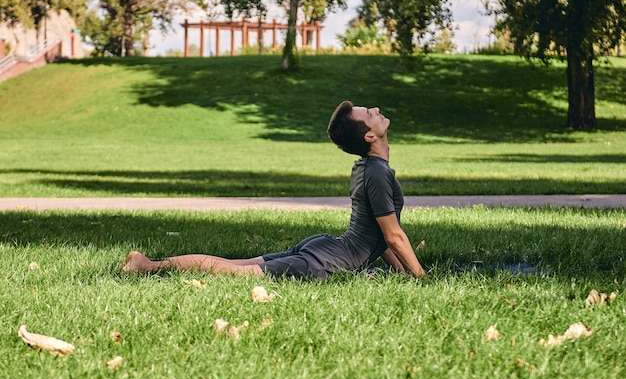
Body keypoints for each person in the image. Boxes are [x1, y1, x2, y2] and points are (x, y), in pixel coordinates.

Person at [122, 101, 426, 279]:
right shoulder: (376, 171)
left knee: (238, 265)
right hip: (327, 261)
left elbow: (381, 236)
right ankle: (147, 266)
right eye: (369, 114)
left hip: (328, 248)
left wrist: (404, 272)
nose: (375, 109)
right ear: (371, 136)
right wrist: (422, 279)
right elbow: (393, 235)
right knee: (237, 272)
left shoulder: (369, 168)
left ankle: (148, 264)